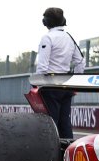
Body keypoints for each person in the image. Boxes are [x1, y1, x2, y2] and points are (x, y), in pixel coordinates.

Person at [35, 7, 87, 138]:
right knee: (65, 123)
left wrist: (37, 85)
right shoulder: (69, 37)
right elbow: (81, 62)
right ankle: (67, 154)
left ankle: (50, 155)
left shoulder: (47, 38)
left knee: (50, 123)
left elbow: (42, 66)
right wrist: (76, 82)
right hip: (66, 85)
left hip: (50, 86)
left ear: (45, 21)